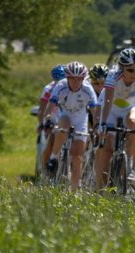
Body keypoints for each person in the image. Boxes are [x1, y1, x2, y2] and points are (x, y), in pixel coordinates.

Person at [95, 48, 135, 191]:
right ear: (121, 67)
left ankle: (129, 162)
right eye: (131, 70)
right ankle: (101, 189)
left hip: (130, 108)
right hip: (112, 109)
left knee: (133, 121)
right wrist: (103, 124)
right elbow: (107, 101)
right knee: (107, 150)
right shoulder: (113, 76)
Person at [42, 61, 98, 191]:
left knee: (77, 156)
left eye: (79, 79)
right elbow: (51, 105)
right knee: (64, 125)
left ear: (83, 79)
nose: (75, 82)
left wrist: (96, 127)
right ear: (67, 77)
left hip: (80, 120)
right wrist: (48, 118)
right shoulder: (61, 86)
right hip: (65, 116)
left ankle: (73, 192)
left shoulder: (88, 89)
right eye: (72, 78)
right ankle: (54, 157)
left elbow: (95, 111)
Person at [38, 64, 66, 174]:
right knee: (50, 144)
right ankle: (45, 172)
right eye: (57, 80)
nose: (59, 83)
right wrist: (42, 123)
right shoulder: (49, 89)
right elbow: (42, 110)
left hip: (66, 119)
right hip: (53, 119)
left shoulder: (71, 87)